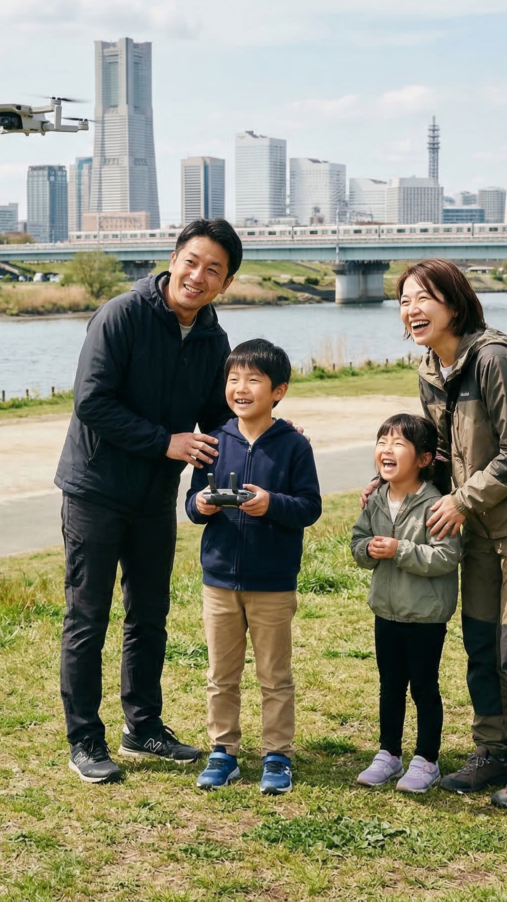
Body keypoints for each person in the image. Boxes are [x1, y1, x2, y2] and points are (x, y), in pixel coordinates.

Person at [54, 219, 242, 784]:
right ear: (173, 258)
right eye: (192, 261)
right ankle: (85, 739)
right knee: (88, 616)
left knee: (150, 615)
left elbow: (214, 421)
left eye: (214, 270)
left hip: (154, 496)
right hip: (96, 488)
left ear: (226, 283)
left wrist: (259, 436)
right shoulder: (122, 315)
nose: (198, 276)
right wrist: (165, 442)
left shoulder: (213, 338)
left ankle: (144, 726)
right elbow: (91, 401)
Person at [396, 258, 507, 810]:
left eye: (423, 297)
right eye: (403, 301)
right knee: (480, 644)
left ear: (454, 302)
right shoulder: (431, 370)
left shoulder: (495, 361)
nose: (412, 309)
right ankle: (490, 752)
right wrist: (397, 481)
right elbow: (446, 454)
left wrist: (461, 500)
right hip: (476, 530)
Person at [186, 339, 322, 795]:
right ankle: (223, 752)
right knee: (220, 676)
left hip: (273, 582)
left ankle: (277, 755)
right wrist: (200, 505)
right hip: (219, 580)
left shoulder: (293, 446)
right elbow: (191, 502)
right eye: (233, 378)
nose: (240, 388)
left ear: (278, 390)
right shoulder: (212, 443)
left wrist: (271, 504)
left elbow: (309, 507)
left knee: (274, 676)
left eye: (253, 379)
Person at [350, 413, 460, 794]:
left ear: (425, 459)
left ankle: (426, 759)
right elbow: (357, 543)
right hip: (387, 610)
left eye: (398, 443)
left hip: (426, 615)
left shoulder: (438, 504)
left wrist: (400, 550)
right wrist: (368, 549)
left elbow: (446, 557)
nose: (386, 449)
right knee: (390, 685)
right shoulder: (376, 499)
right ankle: (389, 753)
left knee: (424, 687)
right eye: (382, 441)